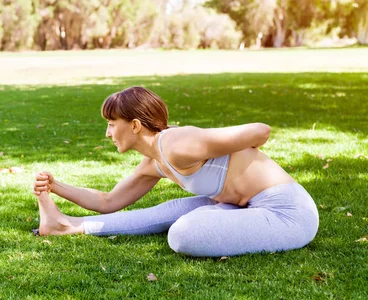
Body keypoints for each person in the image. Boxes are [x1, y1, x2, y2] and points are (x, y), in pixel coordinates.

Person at [32, 86, 319, 257]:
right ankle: (67, 225)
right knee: (170, 210)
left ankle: (67, 226)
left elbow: (261, 130)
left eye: (111, 123)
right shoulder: (154, 162)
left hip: (288, 213)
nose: (107, 133)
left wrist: (243, 160)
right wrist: (56, 187)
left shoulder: (179, 144)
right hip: (238, 204)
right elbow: (109, 202)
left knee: (183, 234)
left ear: (134, 125)